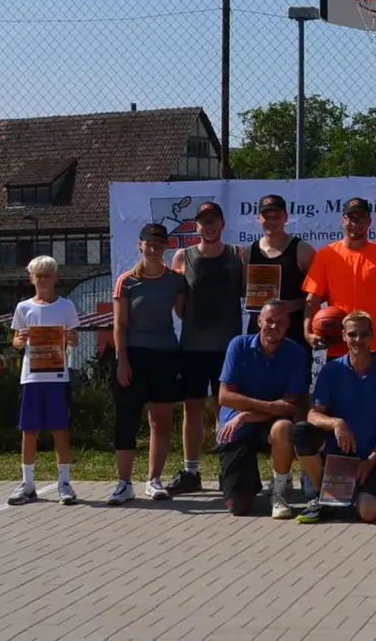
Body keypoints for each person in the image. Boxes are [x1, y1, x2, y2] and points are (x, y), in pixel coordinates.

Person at [300, 198, 376, 480]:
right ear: (342, 220)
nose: (355, 223)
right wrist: (308, 330)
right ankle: (324, 474)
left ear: (369, 222)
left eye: (360, 218)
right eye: (350, 217)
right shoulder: (327, 255)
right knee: (333, 414)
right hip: (340, 348)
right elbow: (312, 299)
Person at [291, 310, 376, 525]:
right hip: (339, 458)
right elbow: (313, 414)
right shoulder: (331, 370)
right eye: (352, 334)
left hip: (373, 458)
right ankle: (323, 496)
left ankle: (370, 488)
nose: (358, 340)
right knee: (301, 431)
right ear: (343, 336)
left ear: (372, 336)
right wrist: (337, 423)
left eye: (364, 334)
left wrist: (371, 461)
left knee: (368, 512)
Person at [168, 201, 245, 496]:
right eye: (203, 222)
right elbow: (179, 308)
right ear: (196, 226)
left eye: (214, 221)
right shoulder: (182, 257)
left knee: (225, 410)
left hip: (228, 347)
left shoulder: (237, 255)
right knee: (193, 410)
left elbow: (252, 292)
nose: (209, 226)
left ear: (222, 225)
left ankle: (229, 470)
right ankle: (191, 471)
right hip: (193, 347)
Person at [108, 223, 187, 506]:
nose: (154, 249)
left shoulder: (176, 280)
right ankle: (124, 483)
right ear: (140, 246)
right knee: (127, 419)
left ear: (166, 247)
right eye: (149, 244)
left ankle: (154, 480)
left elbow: (184, 312)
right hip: (133, 355)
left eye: (159, 244)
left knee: (161, 420)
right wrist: (122, 361)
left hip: (166, 354)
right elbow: (120, 325)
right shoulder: (126, 281)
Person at [213, 298, 309, 517]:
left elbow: (287, 407)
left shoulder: (295, 353)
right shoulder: (239, 345)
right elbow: (225, 396)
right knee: (239, 508)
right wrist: (264, 408)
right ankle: (239, 480)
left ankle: (279, 492)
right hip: (236, 428)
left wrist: (246, 414)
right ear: (259, 321)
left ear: (288, 325)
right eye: (270, 320)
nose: (274, 326)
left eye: (281, 322)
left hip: (265, 423)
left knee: (283, 428)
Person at [7, 256, 80, 506]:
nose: (43, 279)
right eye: (38, 275)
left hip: (58, 376)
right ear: (31, 279)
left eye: (47, 274)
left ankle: (65, 483)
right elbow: (16, 342)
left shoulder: (66, 306)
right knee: (29, 430)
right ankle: (27, 484)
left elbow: (74, 340)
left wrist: (70, 338)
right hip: (31, 377)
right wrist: (21, 339)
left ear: (56, 277)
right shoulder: (23, 307)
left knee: (60, 429)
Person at [241, 193, 316, 385]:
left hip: (293, 332)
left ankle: (299, 417)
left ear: (286, 217)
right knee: (258, 387)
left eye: (276, 215)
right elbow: (245, 291)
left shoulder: (302, 250)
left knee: (297, 391)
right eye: (266, 216)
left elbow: (317, 294)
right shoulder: (249, 252)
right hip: (260, 333)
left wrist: (290, 306)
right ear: (259, 218)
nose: (271, 221)